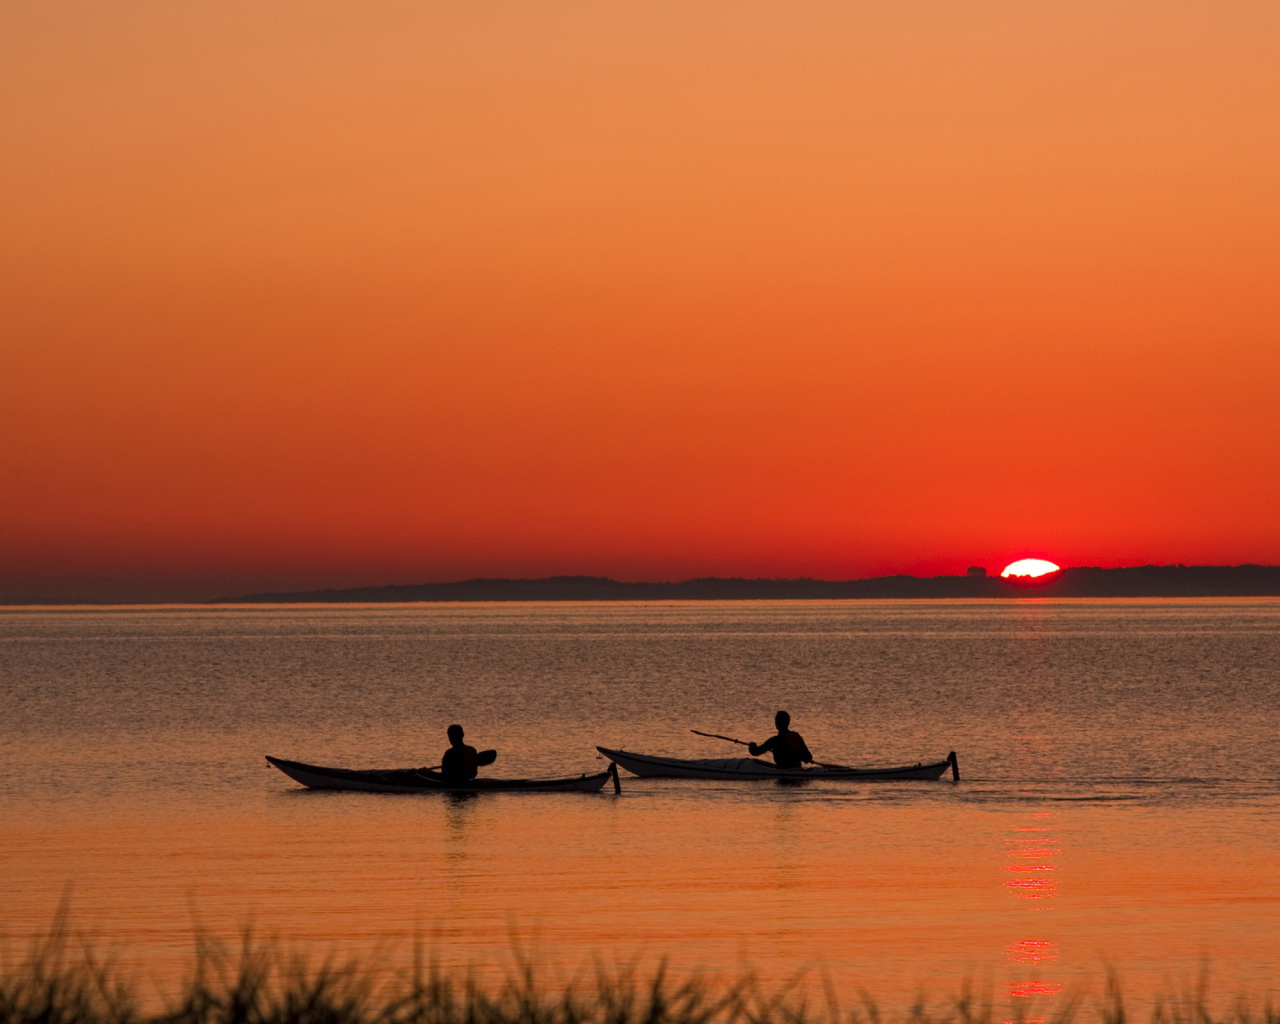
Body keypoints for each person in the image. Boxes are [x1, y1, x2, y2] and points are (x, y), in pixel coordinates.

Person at [748, 710, 813, 769]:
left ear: (777, 723)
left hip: (783, 769)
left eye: (776, 720)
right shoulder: (796, 736)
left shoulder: (775, 740)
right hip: (797, 768)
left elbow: (755, 752)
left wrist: (752, 746)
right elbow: (808, 757)